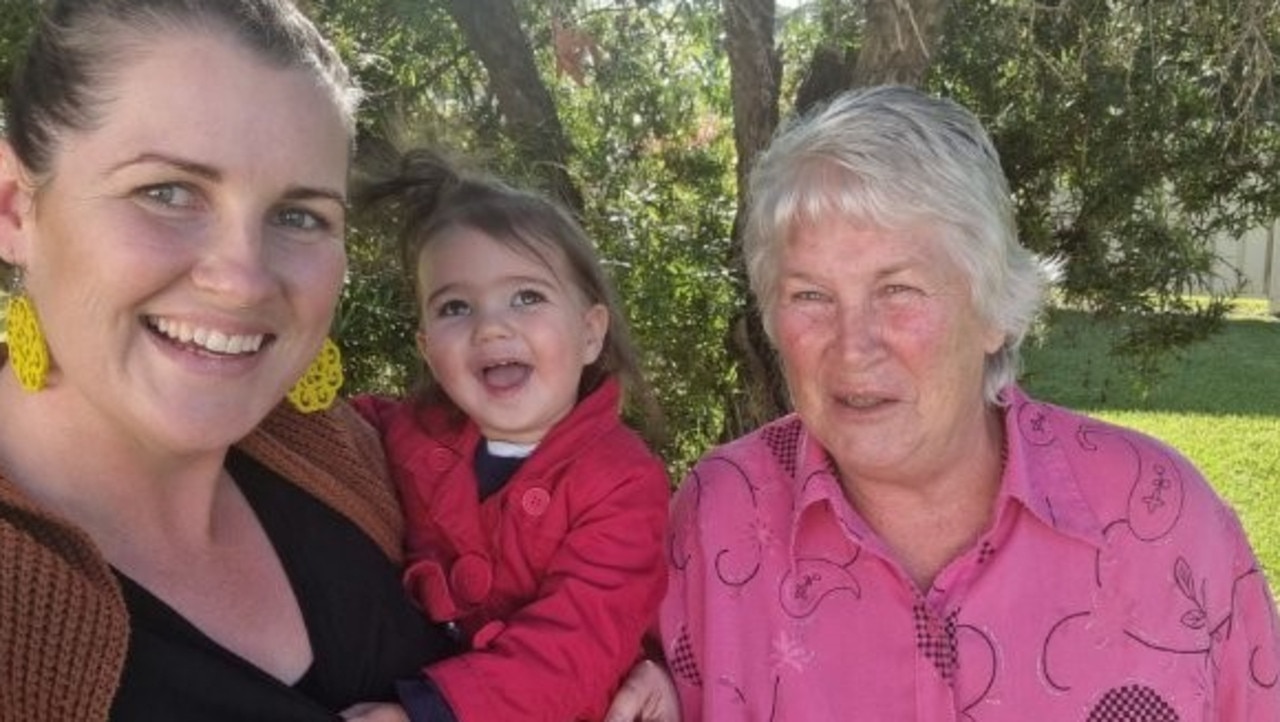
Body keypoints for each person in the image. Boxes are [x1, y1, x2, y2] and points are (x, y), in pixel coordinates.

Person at [0, 3, 666, 721]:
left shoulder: (346, 454)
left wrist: (639, 663)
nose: (244, 278)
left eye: (299, 215)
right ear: (14, 208)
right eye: (166, 192)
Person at [659, 85, 1280, 720]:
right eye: (810, 296)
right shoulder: (718, 520)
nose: (853, 348)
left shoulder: (1165, 524)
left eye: (898, 289)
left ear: (995, 313)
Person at [350, 149, 671, 722]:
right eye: (455, 306)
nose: (491, 326)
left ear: (590, 332)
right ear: (427, 348)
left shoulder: (622, 481)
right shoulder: (404, 433)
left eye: (527, 296)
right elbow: (318, 430)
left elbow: (580, 646)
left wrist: (430, 714)